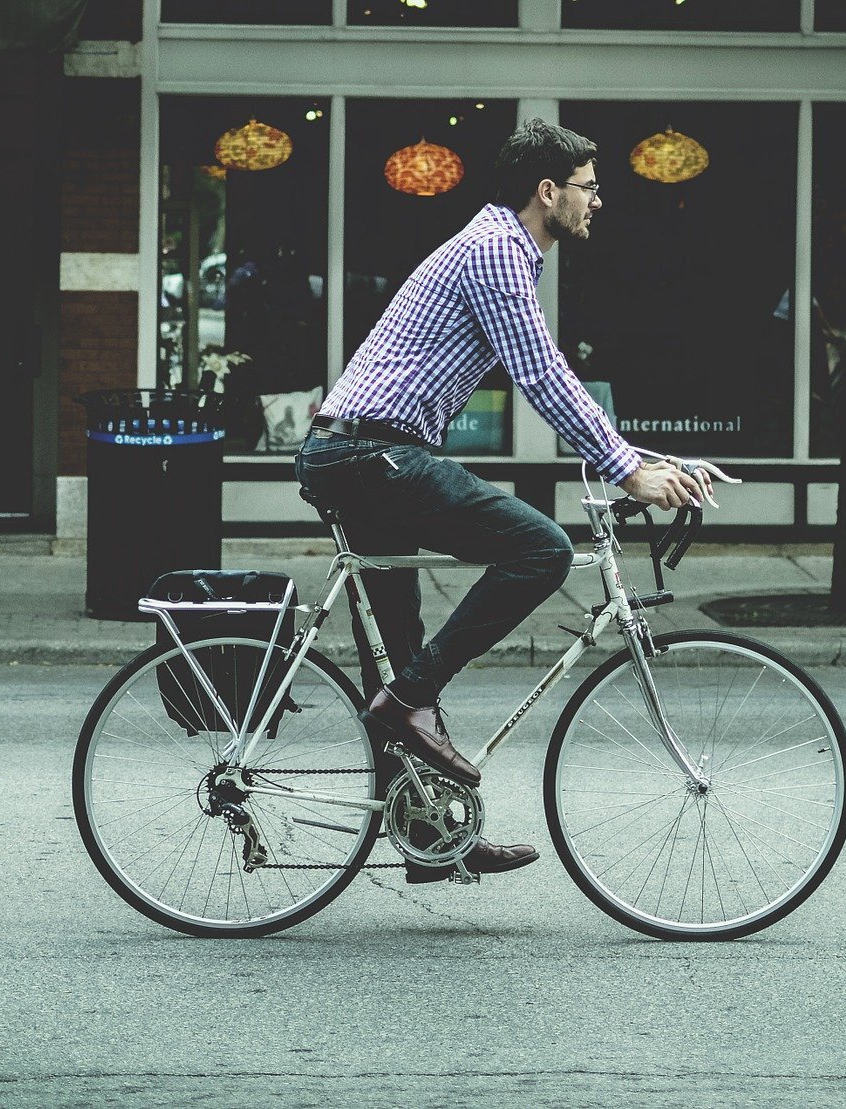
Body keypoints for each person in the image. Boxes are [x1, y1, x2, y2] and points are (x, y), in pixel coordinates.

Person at [293, 118, 709, 883]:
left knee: (403, 648)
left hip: (364, 451)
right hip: (370, 453)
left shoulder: (503, 249)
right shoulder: (496, 253)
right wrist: (626, 469)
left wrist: (650, 461)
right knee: (541, 549)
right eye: (589, 185)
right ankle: (407, 706)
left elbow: (546, 376)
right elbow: (543, 375)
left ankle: (428, 831)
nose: (599, 200)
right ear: (547, 191)